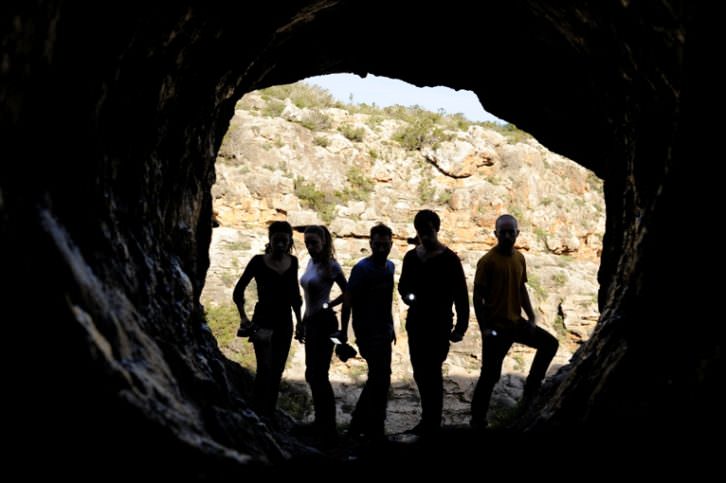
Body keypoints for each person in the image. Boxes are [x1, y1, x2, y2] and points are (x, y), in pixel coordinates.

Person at [470, 214, 559, 429]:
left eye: (512, 232)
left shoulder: (519, 258)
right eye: (504, 232)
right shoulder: (487, 262)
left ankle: (531, 388)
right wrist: (484, 329)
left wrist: (531, 316)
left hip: (516, 323)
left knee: (550, 344)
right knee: (489, 377)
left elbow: (521, 288)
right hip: (497, 329)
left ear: (518, 233)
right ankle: (477, 421)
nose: (508, 236)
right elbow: (477, 297)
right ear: (496, 234)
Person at [398, 209, 469, 435]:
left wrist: (461, 327)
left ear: (436, 229)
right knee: (420, 371)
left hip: (439, 324)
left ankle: (432, 422)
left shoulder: (450, 259)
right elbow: (402, 286)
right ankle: (427, 419)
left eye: (428, 230)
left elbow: (461, 295)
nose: (425, 235)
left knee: (433, 371)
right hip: (417, 322)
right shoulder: (411, 257)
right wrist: (409, 296)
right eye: (421, 231)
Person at [232, 221, 302, 418]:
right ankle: (257, 414)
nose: (280, 242)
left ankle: (267, 415)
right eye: (276, 238)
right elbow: (238, 291)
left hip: (285, 322)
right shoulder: (257, 261)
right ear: (269, 240)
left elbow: (295, 295)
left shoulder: (293, 262)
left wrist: (300, 322)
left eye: (284, 239)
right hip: (262, 321)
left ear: (289, 241)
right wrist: (244, 318)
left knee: (277, 371)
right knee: (264, 369)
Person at [340, 223, 395, 442]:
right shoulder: (361, 269)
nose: (382, 247)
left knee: (381, 378)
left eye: (385, 243)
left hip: (384, 332)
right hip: (367, 333)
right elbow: (348, 301)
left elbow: (388, 301)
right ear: (371, 244)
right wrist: (343, 333)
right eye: (377, 243)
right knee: (379, 377)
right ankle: (367, 425)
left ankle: (367, 425)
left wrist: (392, 328)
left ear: (391, 243)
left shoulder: (390, 267)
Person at [298, 225, 347, 442]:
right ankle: (321, 422)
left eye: (314, 243)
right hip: (311, 322)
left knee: (320, 374)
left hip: (325, 323)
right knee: (312, 373)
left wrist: (330, 305)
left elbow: (349, 293)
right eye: (307, 242)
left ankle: (328, 427)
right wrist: (302, 322)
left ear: (324, 242)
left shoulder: (331, 266)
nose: (310, 247)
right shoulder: (310, 262)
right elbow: (308, 298)